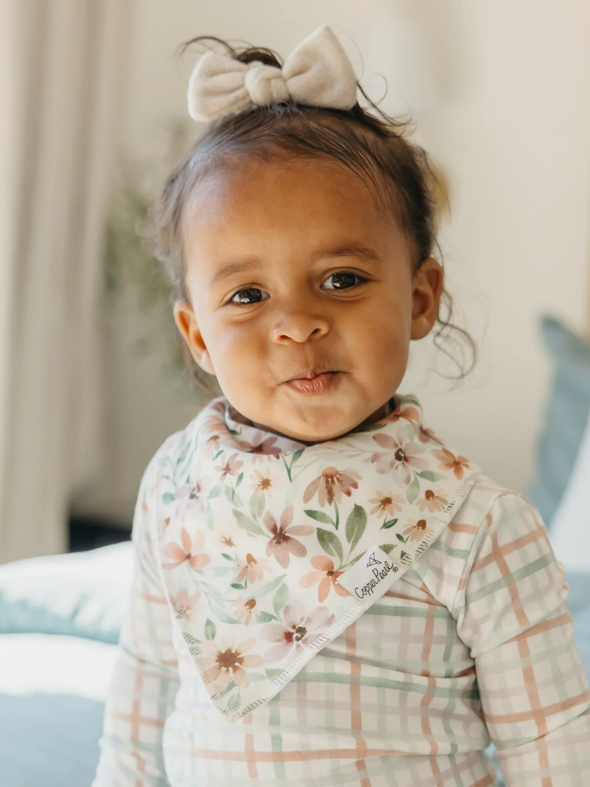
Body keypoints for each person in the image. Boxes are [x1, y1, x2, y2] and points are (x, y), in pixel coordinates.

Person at [92, 24, 590, 787]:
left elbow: (554, 748)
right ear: (196, 334)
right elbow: (140, 704)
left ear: (420, 298)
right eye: (248, 294)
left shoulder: (476, 527)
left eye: (341, 279)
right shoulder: (177, 485)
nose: (296, 321)